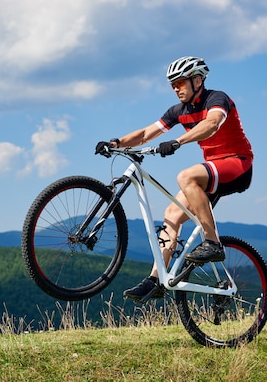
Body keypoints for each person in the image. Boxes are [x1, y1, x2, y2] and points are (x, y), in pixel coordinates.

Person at [95, 56, 253, 301]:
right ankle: (156, 279)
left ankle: (213, 242)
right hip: (212, 169)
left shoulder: (217, 99)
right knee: (171, 215)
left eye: (180, 83)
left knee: (186, 176)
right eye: (173, 85)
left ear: (197, 80)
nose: (176, 88)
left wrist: (178, 141)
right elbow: (147, 133)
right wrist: (116, 142)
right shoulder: (179, 112)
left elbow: (212, 124)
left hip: (238, 163)